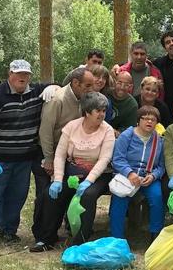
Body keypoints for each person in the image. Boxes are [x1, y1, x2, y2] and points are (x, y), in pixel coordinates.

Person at [0, 60, 50, 249]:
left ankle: (8, 231)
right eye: (18, 73)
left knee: (17, 196)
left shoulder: (37, 92)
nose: (22, 77)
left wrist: (54, 88)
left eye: (26, 74)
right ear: (10, 74)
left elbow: (62, 84)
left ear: (30, 76)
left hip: (24, 159)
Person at [30, 92, 115, 252]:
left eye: (104, 111)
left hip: (98, 175)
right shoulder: (72, 126)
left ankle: (80, 241)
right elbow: (61, 154)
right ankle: (46, 238)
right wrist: (57, 179)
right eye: (98, 111)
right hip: (73, 171)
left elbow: (104, 159)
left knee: (88, 195)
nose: (102, 114)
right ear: (87, 112)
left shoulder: (107, 130)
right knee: (50, 194)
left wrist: (89, 181)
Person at [33, 67, 94, 243]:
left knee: (58, 196)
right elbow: (45, 131)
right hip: (47, 152)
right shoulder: (57, 99)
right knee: (44, 195)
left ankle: (52, 233)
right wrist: (49, 159)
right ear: (75, 83)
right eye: (87, 85)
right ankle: (41, 235)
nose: (91, 89)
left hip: (65, 154)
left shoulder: (82, 99)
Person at [109, 105, 165, 243]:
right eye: (145, 118)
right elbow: (117, 159)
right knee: (119, 198)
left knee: (157, 197)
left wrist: (153, 176)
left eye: (153, 119)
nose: (149, 122)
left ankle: (155, 235)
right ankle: (117, 239)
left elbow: (161, 166)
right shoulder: (127, 135)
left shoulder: (159, 140)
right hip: (127, 176)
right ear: (138, 120)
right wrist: (130, 173)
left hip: (148, 178)